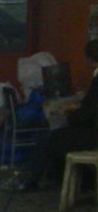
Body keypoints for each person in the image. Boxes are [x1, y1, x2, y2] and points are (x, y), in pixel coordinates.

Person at [9, 39, 98, 192]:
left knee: (50, 137)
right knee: (55, 137)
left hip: (92, 134)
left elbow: (87, 114)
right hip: (92, 130)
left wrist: (69, 116)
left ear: (90, 59)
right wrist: (74, 109)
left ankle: (29, 180)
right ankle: (44, 177)